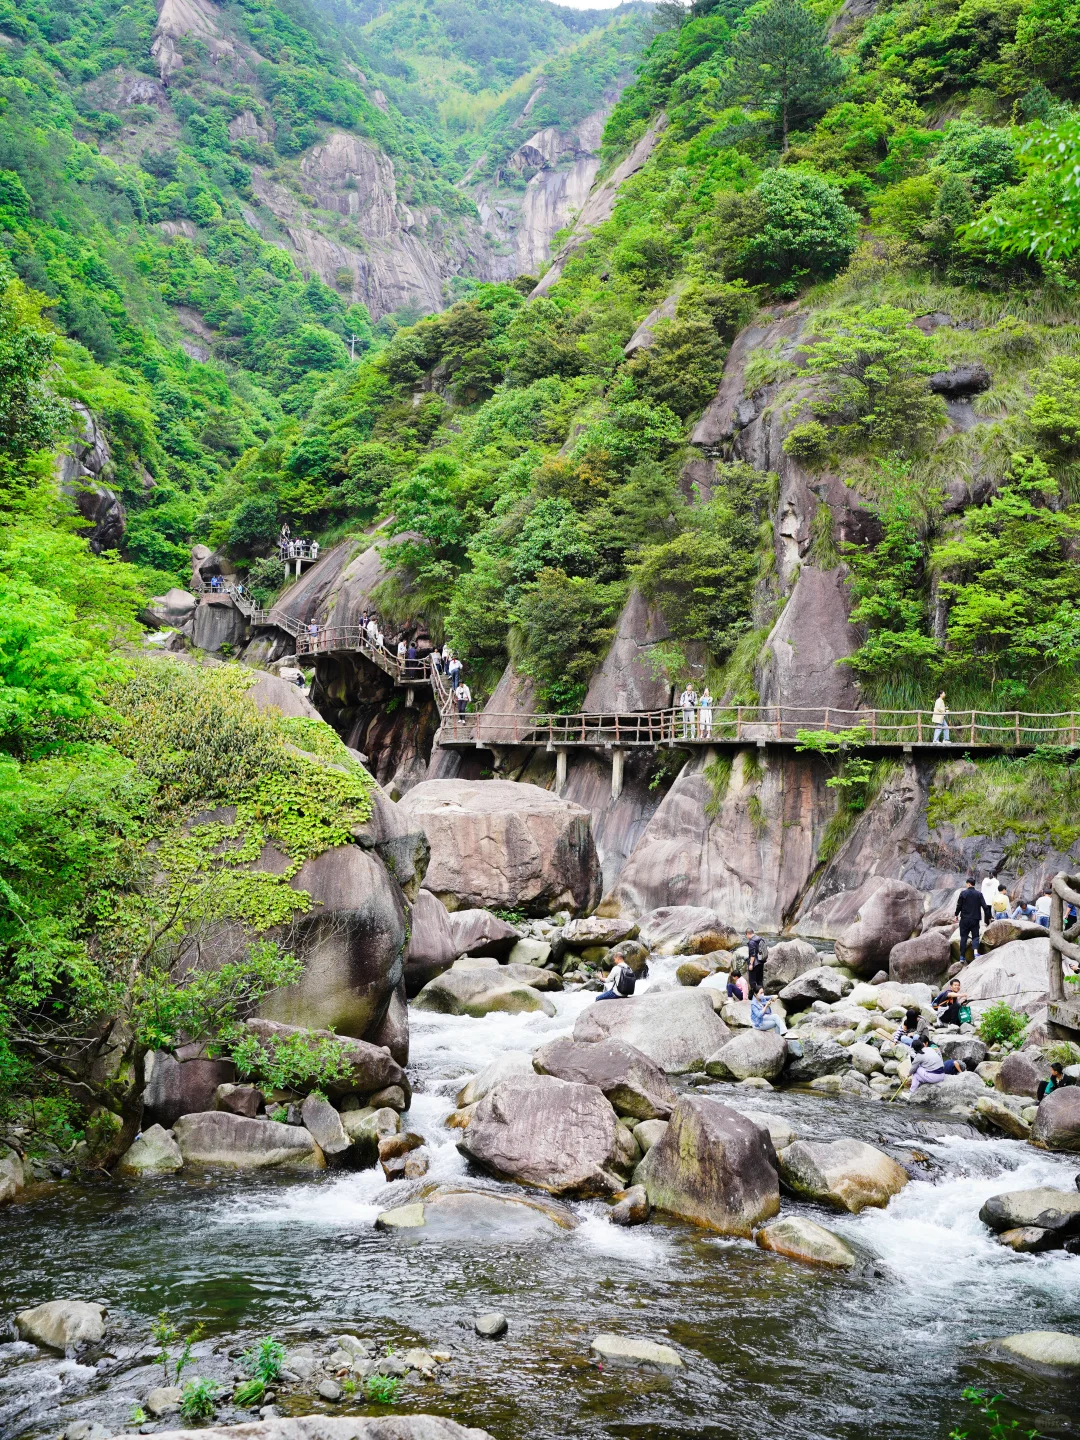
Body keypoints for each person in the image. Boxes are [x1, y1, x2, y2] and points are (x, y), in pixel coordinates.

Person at [955, 877, 990, 961]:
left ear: (969, 884)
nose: (966, 885)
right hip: (975, 919)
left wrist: (956, 914)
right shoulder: (979, 894)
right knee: (975, 936)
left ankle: (962, 957)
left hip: (964, 919)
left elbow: (959, 905)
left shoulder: (963, 893)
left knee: (963, 937)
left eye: (966, 884)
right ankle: (975, 953)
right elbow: (985, 906)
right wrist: (988, 916)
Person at [746, 928, 767, 993]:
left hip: (755, 964)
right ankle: (762, 996)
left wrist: (751, 964)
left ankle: (756, 997)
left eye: (746, 935)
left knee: (752, 982)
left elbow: (753, 954)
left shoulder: (751, 942)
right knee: (760, 981)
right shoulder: (761, 939)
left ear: (748, 934)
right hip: (761, 962)